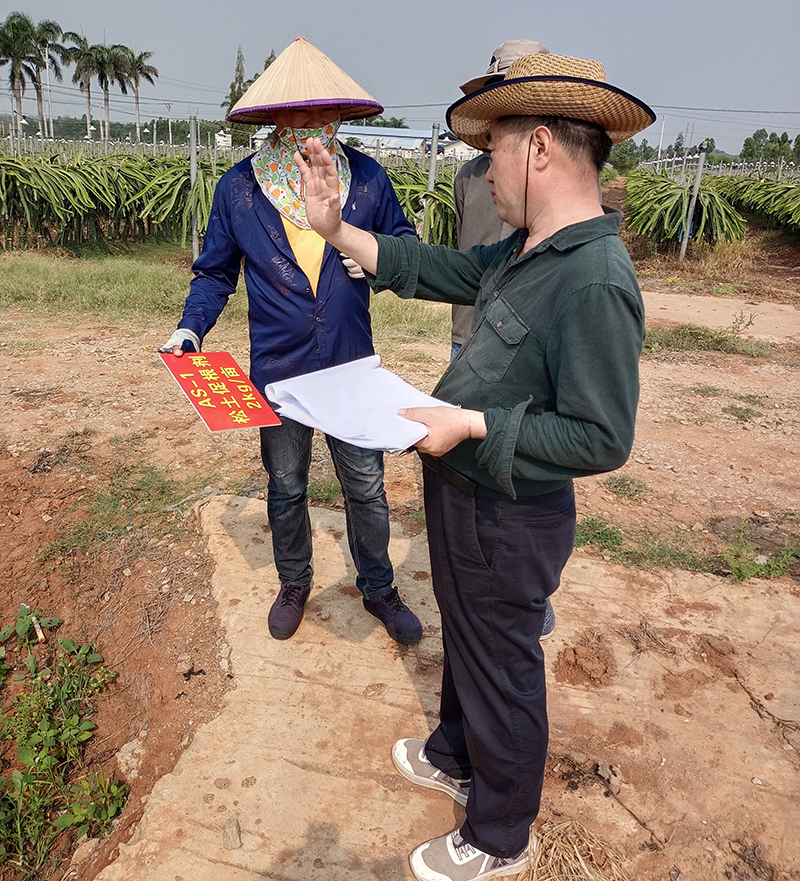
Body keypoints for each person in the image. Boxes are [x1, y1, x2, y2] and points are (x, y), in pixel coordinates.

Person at [297, 52, 655, 881]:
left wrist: (474, 423)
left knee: (503, 664)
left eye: (489, 149)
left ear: (537, 148)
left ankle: (500, 835)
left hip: (511, 513)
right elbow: (441, 269)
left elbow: (602, 437)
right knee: (469, 639)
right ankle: (457, 752)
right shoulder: (528, 250)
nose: (482, 170)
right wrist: (335, 230)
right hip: (465, 493)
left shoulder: (594, 278)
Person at [160, 38, 422, 646]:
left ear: (337, 118)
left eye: (320, 116)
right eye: (295, 115)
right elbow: (215, 272)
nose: (308, 128)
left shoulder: (366, 182)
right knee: (286, 484)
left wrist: (373, 263)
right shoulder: (239, 190)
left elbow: (403, 243)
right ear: (274, 117)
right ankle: (294, 581)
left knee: (366, 486)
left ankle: (378, 587)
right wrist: (191, 327)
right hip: (278, 369)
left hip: (350, 362)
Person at [452, 38, 557, 643]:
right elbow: (463, 263)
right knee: (475, 485)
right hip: (469, 337)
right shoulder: (474, 175)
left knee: (516, 484)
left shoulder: (578, 260)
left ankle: (520, 603)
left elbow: (594, 437)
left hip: (519, 350)